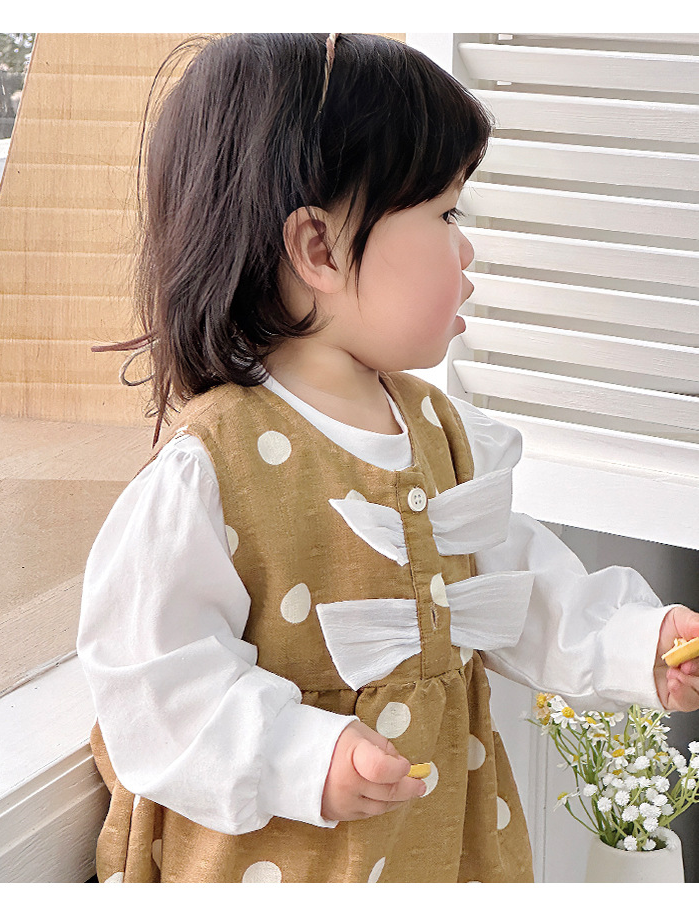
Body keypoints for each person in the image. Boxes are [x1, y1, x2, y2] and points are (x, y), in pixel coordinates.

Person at [76, 33, 699, 883]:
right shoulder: (212, 468)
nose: (466, 249)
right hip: (289, 867)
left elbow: (512, 584)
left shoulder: (441, 432)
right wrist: (305, 755)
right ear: (321, 249)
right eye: (446, 215)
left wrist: (637, 642)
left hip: (443, 851)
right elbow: (153, 683)